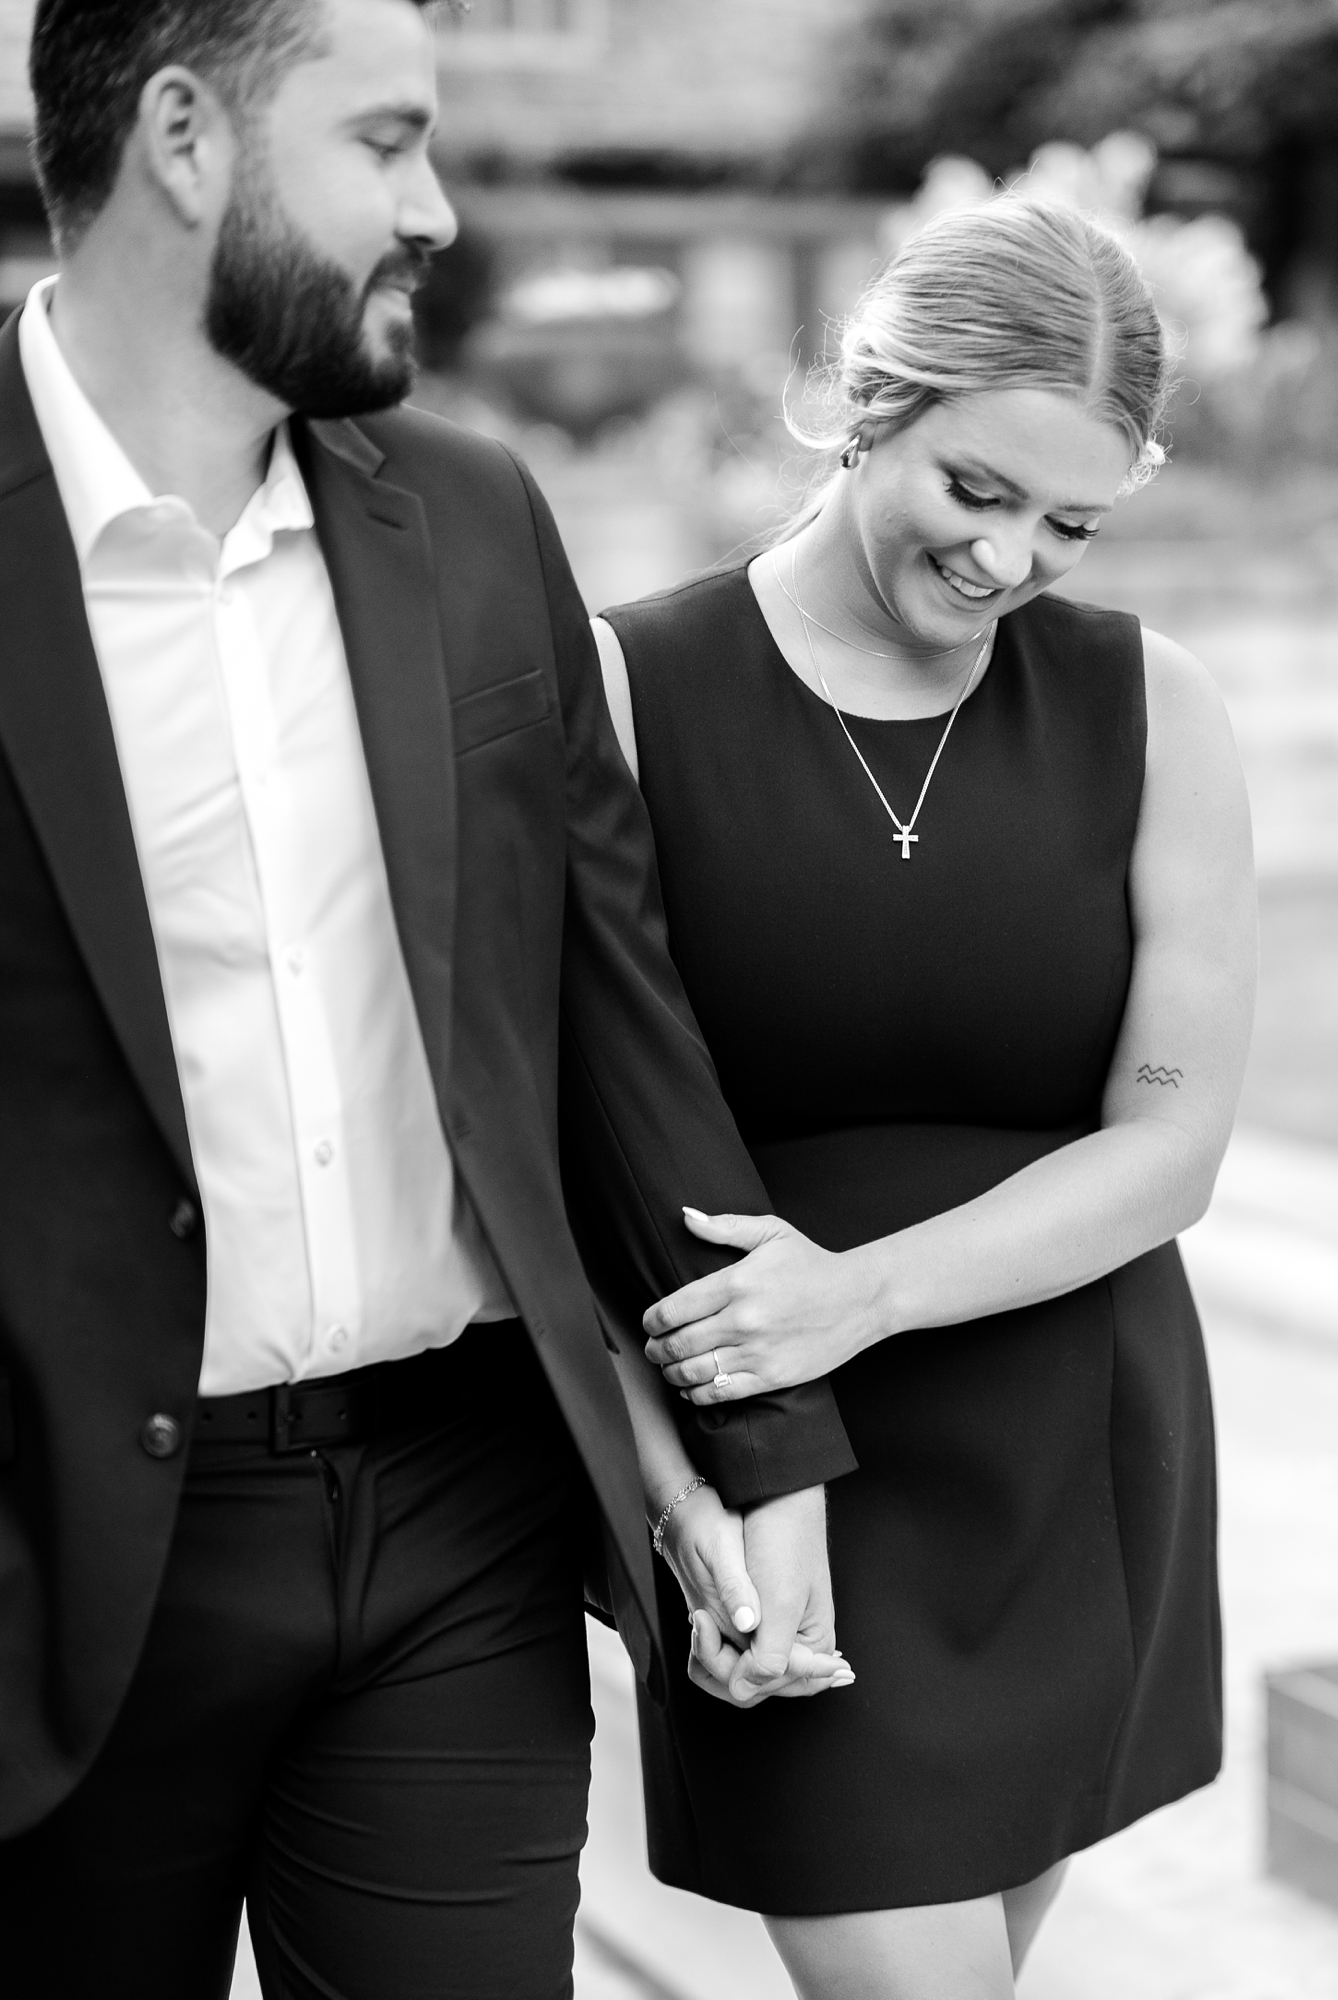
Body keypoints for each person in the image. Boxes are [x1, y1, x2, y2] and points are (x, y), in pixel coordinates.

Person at [0, 4, 856, 1996]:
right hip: (60, 1568)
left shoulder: (471, 523)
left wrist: (770, 1444)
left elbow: (614, 1014)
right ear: (187, 139)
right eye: (385, 142)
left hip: (461, 1521)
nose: (438, 209)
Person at [591, 196, 1258, 1999]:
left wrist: (856, 1292)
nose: (1011, 561)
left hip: (1072, 1450)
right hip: (782, 1469)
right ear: (866, 405)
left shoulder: (1154, 710)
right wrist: (691, 1491)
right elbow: (566, 1140)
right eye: (976, 490)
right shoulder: (626, 690)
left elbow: (1170, 1148)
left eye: (1071, 520)